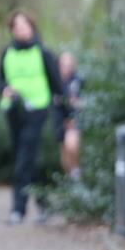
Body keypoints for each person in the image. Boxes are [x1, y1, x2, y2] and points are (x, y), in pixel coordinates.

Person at [0, 10, 66, 225]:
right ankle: (43, 205)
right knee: (25, 159)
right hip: (13, 111)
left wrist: (66, 114)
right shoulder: (6, 52)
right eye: (16, 26)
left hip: (37, 111)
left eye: (25, 26)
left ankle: (18, 210)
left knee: (25, 159)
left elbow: (57, 85)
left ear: (32, 28)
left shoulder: (43, 53)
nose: (21, 30)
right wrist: (5, 89)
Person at [54, 51, 83, 180]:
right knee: (64, 152)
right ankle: (69, 178)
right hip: (59, 120)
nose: (66, 67)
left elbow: (81, 100)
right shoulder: (54, 81)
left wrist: (76, 105)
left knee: (72, 146)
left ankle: (76, 174)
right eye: (63, 64)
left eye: (69, 64)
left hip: (73, 119)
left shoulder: (77, 80)